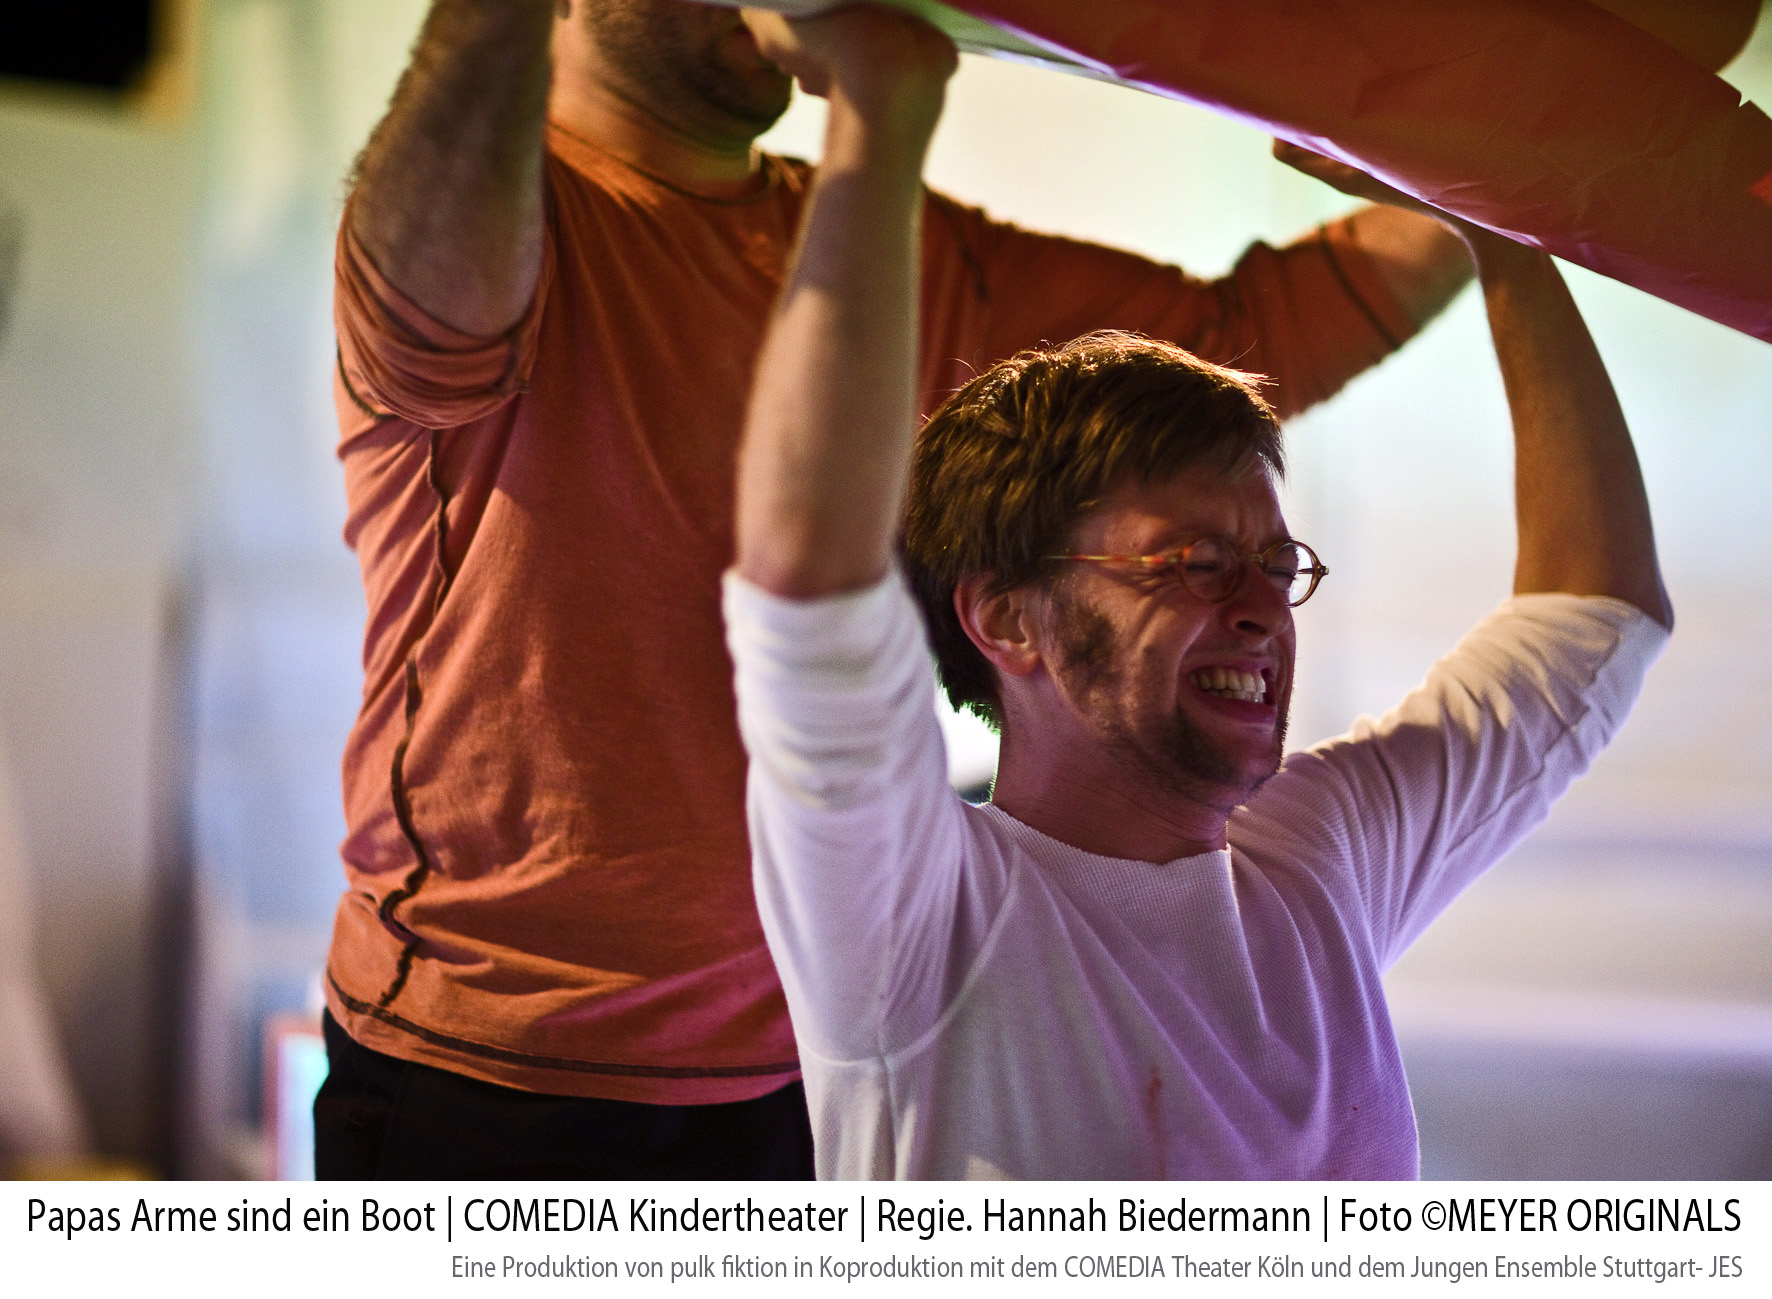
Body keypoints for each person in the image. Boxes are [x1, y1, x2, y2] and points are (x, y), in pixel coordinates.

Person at [317, 0, 1472, 1178]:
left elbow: (1254, 330)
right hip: (491, 1063)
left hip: (811, 1061)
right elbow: (433, 268)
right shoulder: (498, 217)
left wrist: (1508, 166)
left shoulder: (886, 244)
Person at [725, 12, 1672, 1177]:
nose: (1261, 609)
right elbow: (807, 583)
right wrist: (882, 104)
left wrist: (1503, 239)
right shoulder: (918, 915)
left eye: (1274, 564)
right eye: (1192, 562)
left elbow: (1593, 618)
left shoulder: (1314, 861)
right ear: (1006, 617)